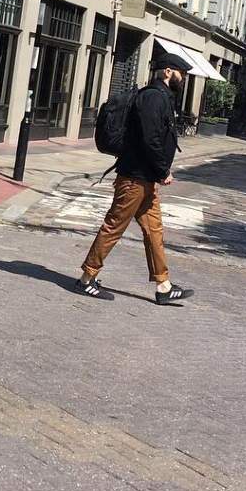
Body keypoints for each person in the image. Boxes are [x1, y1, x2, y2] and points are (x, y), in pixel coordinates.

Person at [75, 51, 195, 305]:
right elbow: (148, 139)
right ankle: (86, 279)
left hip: (145, 179)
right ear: (167, 71)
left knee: (154, 231)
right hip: (134, 178)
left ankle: (163, 286)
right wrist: (163, 170)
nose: (182, 78)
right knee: (114, 226)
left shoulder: (162, 97)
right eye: (180, 73)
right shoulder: (153, 97)